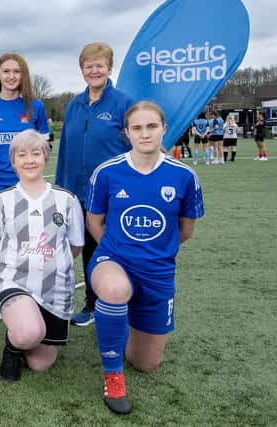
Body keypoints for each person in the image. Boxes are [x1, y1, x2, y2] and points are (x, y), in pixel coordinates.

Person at [85, 101, 204, 414]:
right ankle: (112, 375)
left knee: (146, 363)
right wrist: (116, 250)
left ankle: (119, 328)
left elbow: (185, 230)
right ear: (127, 133)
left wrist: (152, 255)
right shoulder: (108, 172)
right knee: (114, 289)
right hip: (113, 261)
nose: (145, 133)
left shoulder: (184, 176)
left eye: (152, 126)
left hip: (158, 273)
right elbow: (94, 222)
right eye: (137, 128)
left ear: (164, 129)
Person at [0, 129, 84, 382]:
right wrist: (5, 271)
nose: (30, 160)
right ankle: (12, 348)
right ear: (13, 161)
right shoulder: (1, 201)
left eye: (36, 153)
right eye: (22, 155)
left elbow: (76, 245)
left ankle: (26, 333)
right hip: (14, 284)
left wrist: (51, 264)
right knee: (28, 332)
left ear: (45, 157)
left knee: (40, 363)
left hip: (54, 289)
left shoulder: (66, 200)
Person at [54, 42, 134, 327]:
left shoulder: (123, 103)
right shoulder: (75, 105)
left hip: (114, 193)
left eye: (100, 65)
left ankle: (123, 302)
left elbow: (135, 144)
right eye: (89, 66)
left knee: (113, 247)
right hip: (78, 193)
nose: (94, 70)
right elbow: (65, 149)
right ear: (82, 70)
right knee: (87, 248)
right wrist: (62, 188)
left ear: (109, 68)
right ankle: (92, 304)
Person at [0, 52, 49, 319]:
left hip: (28, 186)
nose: (11, 76)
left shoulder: (35, 107)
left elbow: (42, 148)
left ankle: (28, 292)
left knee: (26, 241)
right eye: (6, 71)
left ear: (23, 75)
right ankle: (0, 295)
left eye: (16, 71)